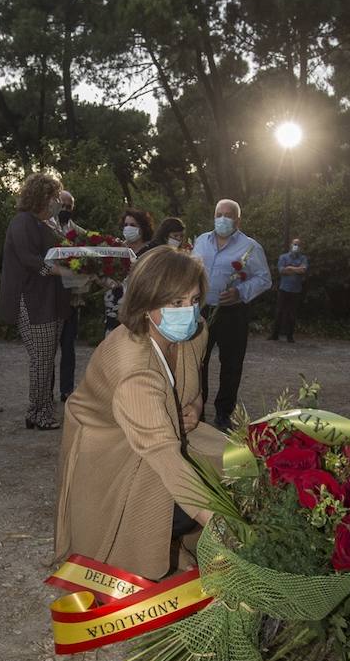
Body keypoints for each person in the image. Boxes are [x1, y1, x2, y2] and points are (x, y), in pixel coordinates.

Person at [54, 247, 226, 580]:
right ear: (146, 304)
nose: (188, 312)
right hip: (111, 445)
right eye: (175, 303)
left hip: (159, 432)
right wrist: (223, 524)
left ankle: (176, 543)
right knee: (165, 488)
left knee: (235, 462)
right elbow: (166, 458)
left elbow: (195, 383)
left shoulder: (195, 331)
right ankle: (150, 552)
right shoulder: (133, 368)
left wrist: (195, 406)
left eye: (193, 300)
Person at [0, 172, 70, 430]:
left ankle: (44, 410)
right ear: (41, 197)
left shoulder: (48, 224)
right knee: (41, 358)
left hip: (50, 299)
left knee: (47, 357)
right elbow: (30, 259)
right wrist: (61, 271)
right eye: (53, 197)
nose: (57, 202)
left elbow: (63, 251)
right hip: (32, 300)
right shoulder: (23, 222)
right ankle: (36, 412)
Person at [192, 199, 272, 430]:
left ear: (238, 220)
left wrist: (241, 291)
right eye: (219, 214)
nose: (223, 218)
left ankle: (224, 413)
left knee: (232, 364)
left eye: (228, 215)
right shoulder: (201, 241)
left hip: (233, 313)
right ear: (214, 215)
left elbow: (264, 278)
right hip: (202, 311)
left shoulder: (250, 247)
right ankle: (196, 410)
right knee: (198, 361)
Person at [104, 207, 154, 334]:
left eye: (132, 225)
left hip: (138, 310)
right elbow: (105, 276)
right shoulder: (116, 250)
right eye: (126, 225)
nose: (128, 228)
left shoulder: (151, 253)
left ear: (142, 228)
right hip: (113, 309)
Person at [53, 189, 82, 401]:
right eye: (62, 205)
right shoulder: (46, 226)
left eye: (69, 206)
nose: (65, 210)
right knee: (48, 349)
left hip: (72, 297)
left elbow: (93, 243)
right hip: (51, 296)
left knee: (69, 347)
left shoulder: (77, 231)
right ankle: (46, 389)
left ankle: (66, 390)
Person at [270, 236, 309, 342]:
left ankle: (289, 336)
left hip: (296, 290)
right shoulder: (283, 257)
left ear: (301, 247)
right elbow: (282, 271)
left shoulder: (303, 258)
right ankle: (274, 335)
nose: (296, 246)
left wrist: (290, 268)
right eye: (294, 244)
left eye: (298, 244)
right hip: (284, 289)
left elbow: (303, 270)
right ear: (291, 245)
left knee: (292, 314)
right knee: (279, 312)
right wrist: (296, 269)